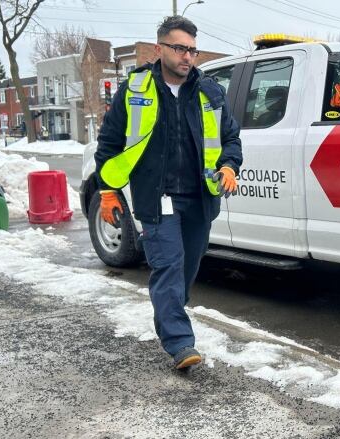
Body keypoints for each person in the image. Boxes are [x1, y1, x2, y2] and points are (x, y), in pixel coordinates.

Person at [94, 16, 243, 370]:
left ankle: (170, 312)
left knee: (186, 268)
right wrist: (107, 191)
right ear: (160, 48)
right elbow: (110, 143)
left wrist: (229, 166)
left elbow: (230, 139)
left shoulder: (210, 92)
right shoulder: (135, 90)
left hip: (200, 197)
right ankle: (180, 343)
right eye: (179, 48)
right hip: (156, 197)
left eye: (192, 50)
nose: (187, 56)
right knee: (168, 266)